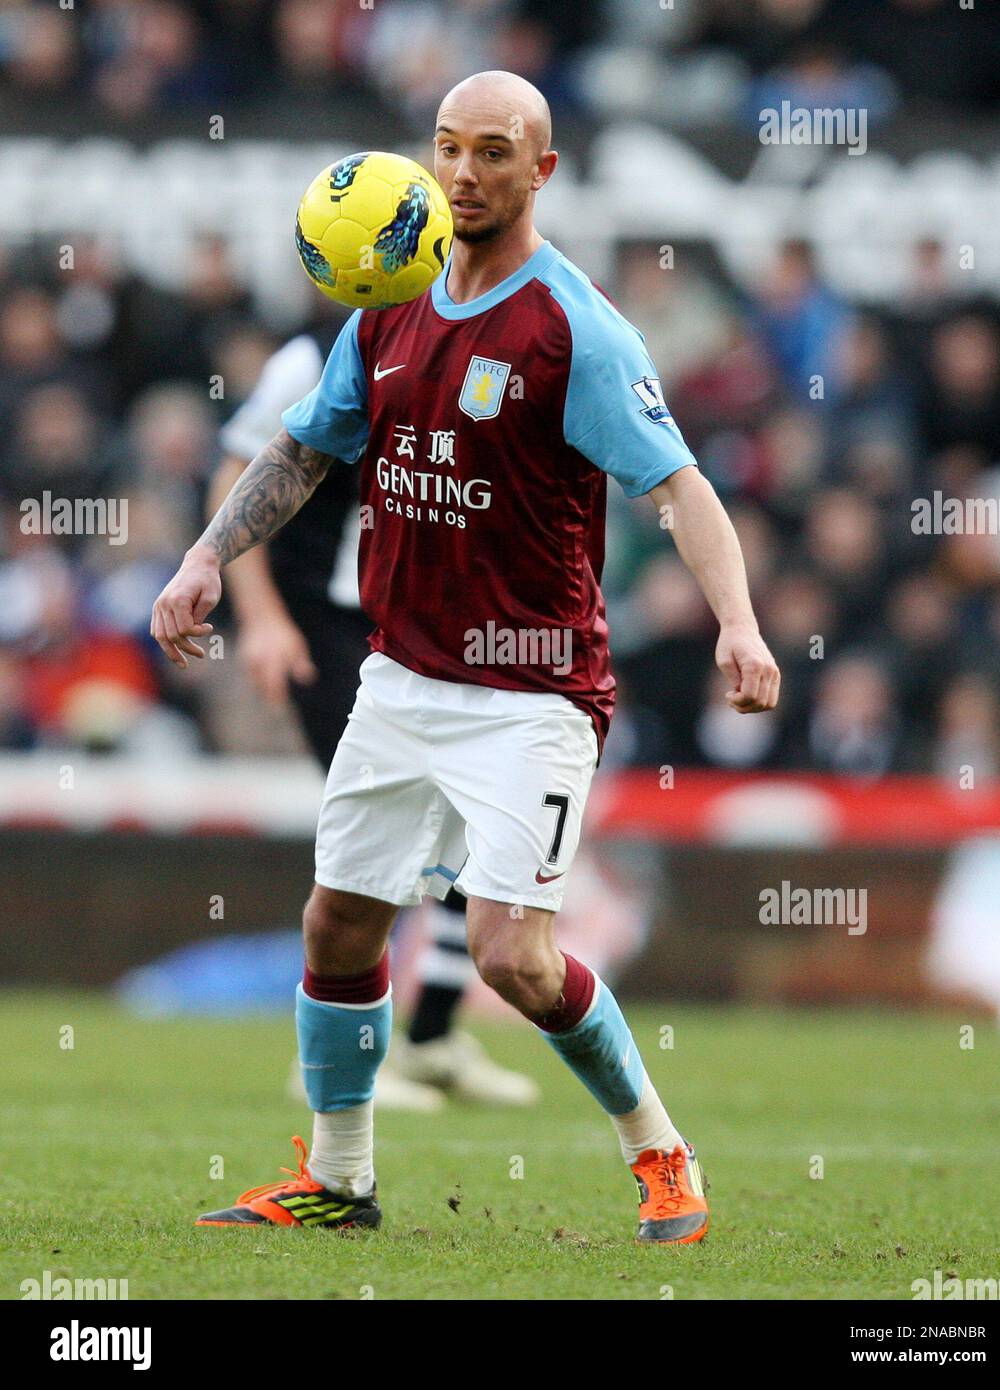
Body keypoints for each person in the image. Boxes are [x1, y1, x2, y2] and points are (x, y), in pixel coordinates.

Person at [151, 70, 780, 1244]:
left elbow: (680, 486)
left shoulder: (574, 329)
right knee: (337, 924)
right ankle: (338, 1179)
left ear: (540, 172)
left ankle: (662, 1152)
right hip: (398, 675)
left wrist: (738, 623)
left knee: (512, 958)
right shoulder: (384, 302)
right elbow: (298, 451)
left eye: (494, 152)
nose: (464, 171)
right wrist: (201, 558)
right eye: (449, 147)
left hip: (531, 688)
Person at [209, 325, 539, 1110]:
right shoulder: (315, 352)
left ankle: (428, 1038)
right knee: (379, 832)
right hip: (326, 623)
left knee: (480, 813)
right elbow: (235, 476)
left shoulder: (479, 342)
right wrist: (260, 616)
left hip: (423, 623)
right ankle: (332, 1055)